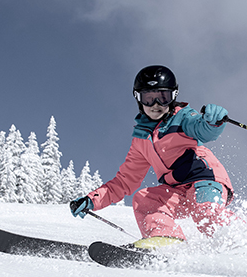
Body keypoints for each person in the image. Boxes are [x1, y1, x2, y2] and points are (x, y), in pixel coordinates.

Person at [69, 65, 233, 249]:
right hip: (177, 189)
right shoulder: (141, 140)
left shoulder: (183, 118)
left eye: (163, 97)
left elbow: (202, 129)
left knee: (204, 211)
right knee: (145, 199)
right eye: (149, 98)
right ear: (138, 99)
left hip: (205, 180)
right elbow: (125, 181)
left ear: (173, 97)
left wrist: (212, 123)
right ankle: (167, 240)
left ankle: (238, 241)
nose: (156, 104)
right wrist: (92, 200)